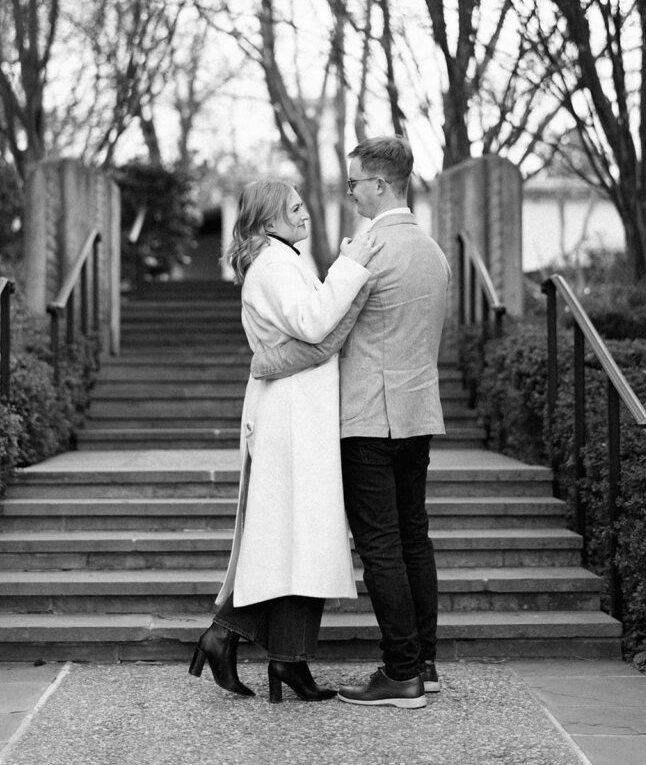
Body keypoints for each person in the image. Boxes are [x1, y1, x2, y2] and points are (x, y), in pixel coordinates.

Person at [251, 136, 451, 709]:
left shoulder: (369, 252)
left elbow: (324, 339)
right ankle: (425, 664)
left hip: (368, 417)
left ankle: (401, 673)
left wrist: (266, 362)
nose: (350, 190)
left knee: (381, 545)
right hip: (418, 414)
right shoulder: (431, 251)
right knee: (414, 538)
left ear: (381, 185)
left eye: (357, 181)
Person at [188, 179, 381, 703]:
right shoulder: (274, 265)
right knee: (299, 537)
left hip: (302, 412)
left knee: (301, 540)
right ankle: (253, 646)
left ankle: (264, 651)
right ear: (269, 220)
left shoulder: (283, 258)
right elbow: (316, 322)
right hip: (292, 418)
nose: (305, 215)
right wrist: (351, 265)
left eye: (302, 207)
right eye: (294, 209)